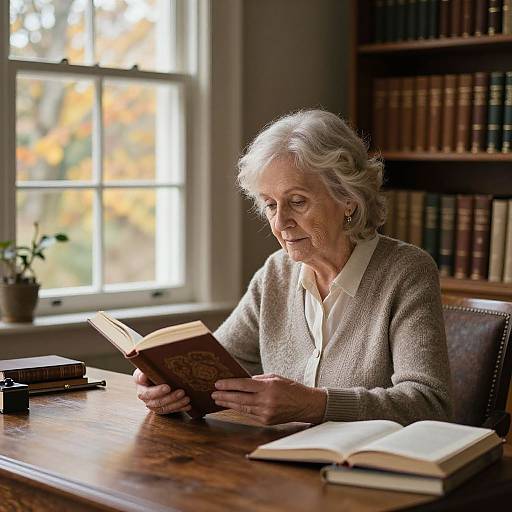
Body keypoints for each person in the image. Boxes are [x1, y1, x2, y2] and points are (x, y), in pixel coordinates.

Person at [134, 109, 452, 426]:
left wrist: (315, 404)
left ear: (348, 199)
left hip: (361, 468)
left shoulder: (407, 271)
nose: (280, 222)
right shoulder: (276, 273)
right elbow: (214, 367)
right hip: (278, 463)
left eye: (297, 201)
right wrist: (166, 385)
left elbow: (430, 403)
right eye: (271, 205)